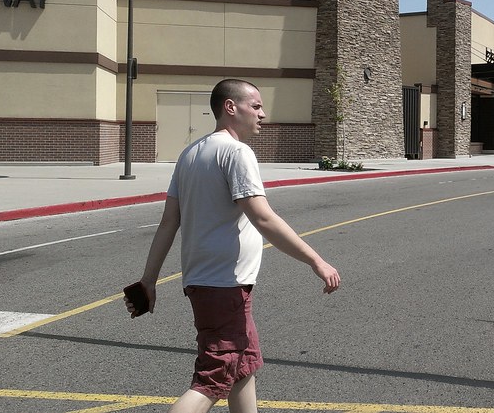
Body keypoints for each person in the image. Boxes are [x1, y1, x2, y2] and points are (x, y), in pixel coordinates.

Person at [125, 78, 341, 413]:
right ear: (230, 107)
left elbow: (170, 222)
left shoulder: (190, 154)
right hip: (226, 286)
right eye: (255, 106)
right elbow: (263, 218)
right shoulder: (237, 152)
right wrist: (316, 261)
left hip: (204, 282)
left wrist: (149, 280)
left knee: (242, 367)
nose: (263, 114)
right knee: (212, 379)